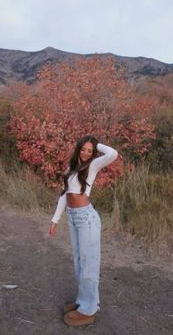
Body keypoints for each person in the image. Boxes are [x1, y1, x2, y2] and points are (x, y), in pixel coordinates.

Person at [49, 135, 118, 326]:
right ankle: (83, 302)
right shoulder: (71, 169)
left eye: (90, 150)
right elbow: (65, 195)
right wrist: (55, 220)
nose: (86, 153)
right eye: (84, 149)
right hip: (74, 218)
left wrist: (96, 144)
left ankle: (88, 311)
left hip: (87, 218)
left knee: (89, 264)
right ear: (78, 148)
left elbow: (113, 153)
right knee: (80, 262)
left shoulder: (93, 165)